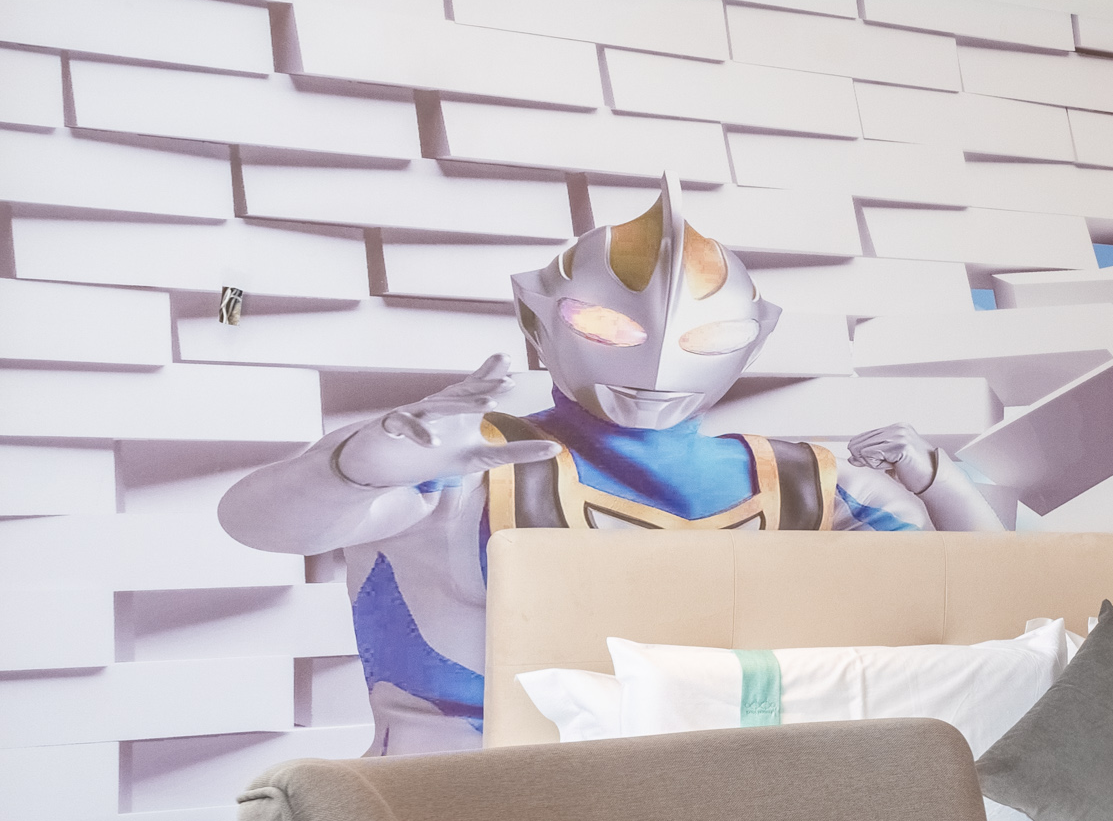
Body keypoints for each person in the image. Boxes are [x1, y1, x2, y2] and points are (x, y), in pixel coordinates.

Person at [217, 191, 996, 749]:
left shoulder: (817, 486)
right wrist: (355, 464)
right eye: (606, 324)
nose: (653, 364)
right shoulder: (473, 466)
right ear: (536, 317)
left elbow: (991, 615)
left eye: (709, 336)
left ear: (756, 339)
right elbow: (260, 522)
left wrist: (943, 483)